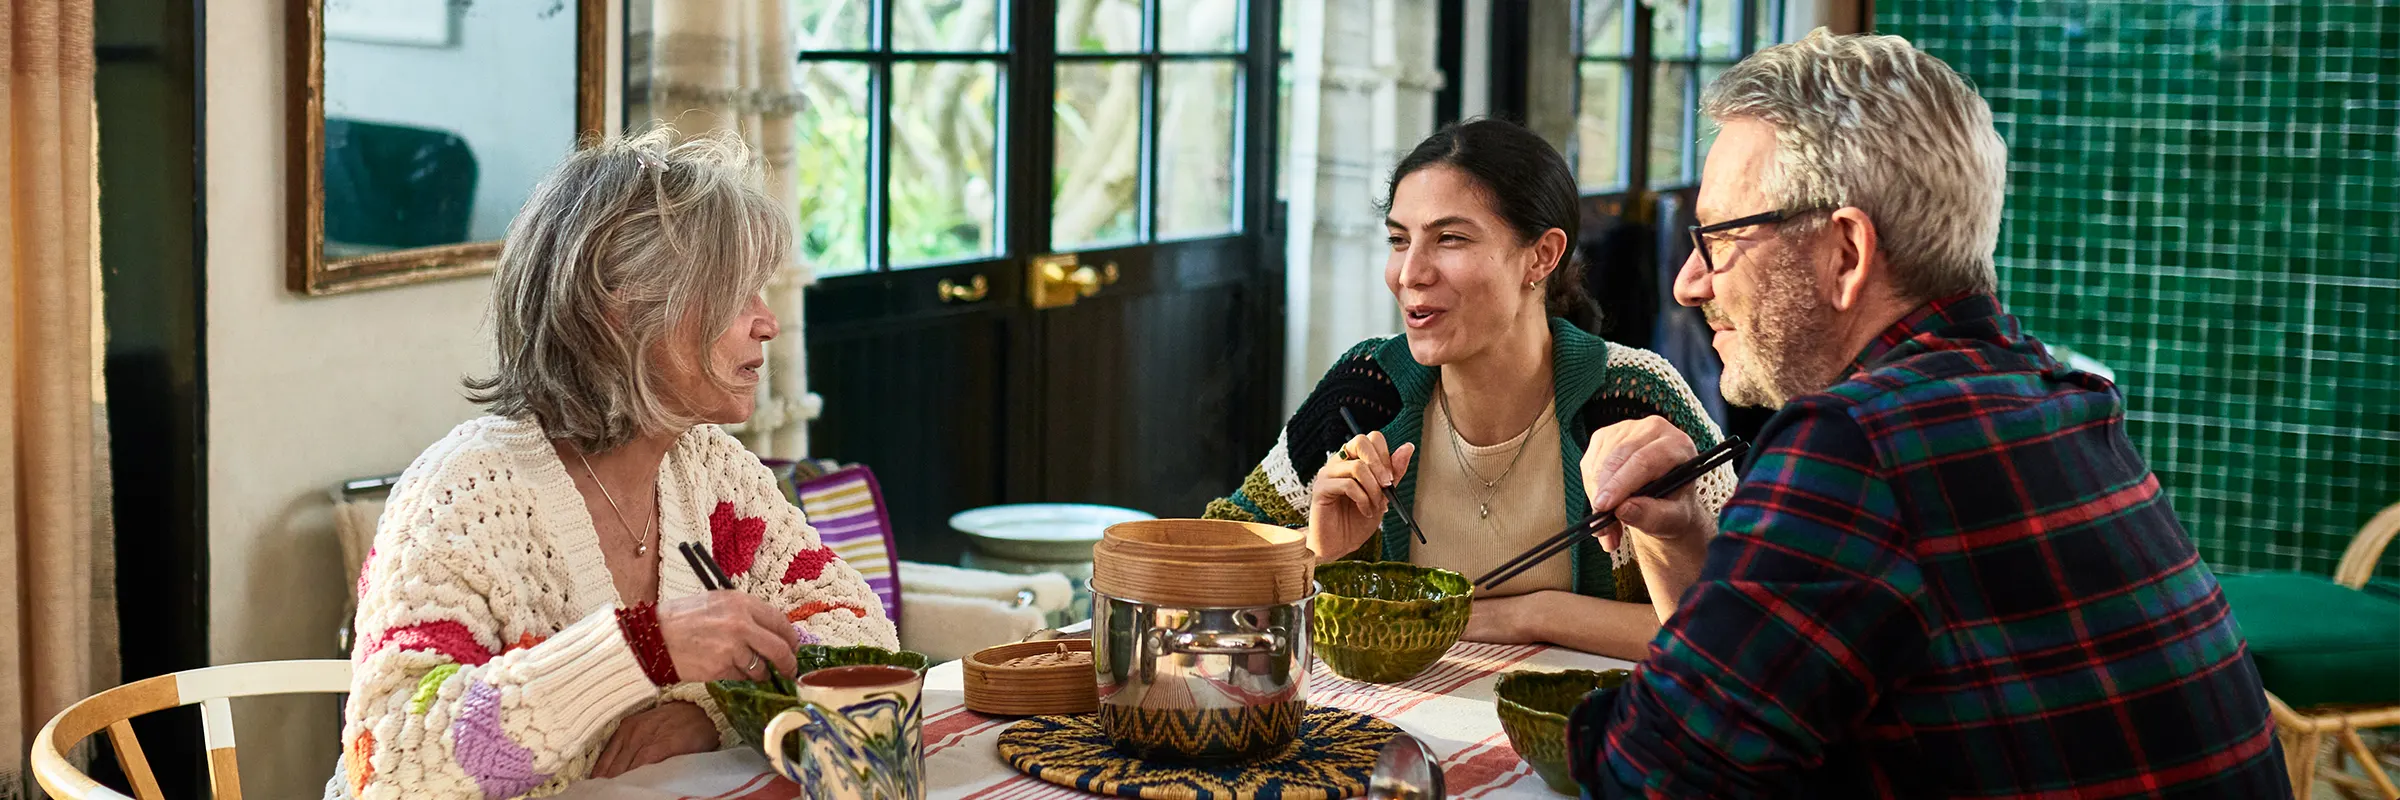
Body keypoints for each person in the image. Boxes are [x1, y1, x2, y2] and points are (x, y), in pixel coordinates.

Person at [1563, 30, 2288, 797]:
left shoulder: (1858, 443)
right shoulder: (2056, 397)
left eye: (1716, 238)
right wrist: (1687, 544)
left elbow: (1651, 776)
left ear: (1845, 251)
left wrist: (1589, 721)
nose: (1687, 284)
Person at [326, 129, 898, 800]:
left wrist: (708, 714)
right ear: (620, 310)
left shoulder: (711, 471)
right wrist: (640, 652)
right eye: (736, 293)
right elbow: (396, 763)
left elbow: (862, 643)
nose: (767, 323)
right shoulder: (461, 497)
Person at [1204, 119, 1735, 660]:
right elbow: (1210, 567)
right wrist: (1315, 556)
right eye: (1398, 240)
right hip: (1397, 734)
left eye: (1449, 239)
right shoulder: (1364, 393)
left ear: (1542, 256)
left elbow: (1740, 626)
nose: (1409, 273)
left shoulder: (1634, 398)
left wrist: (1534, 614)